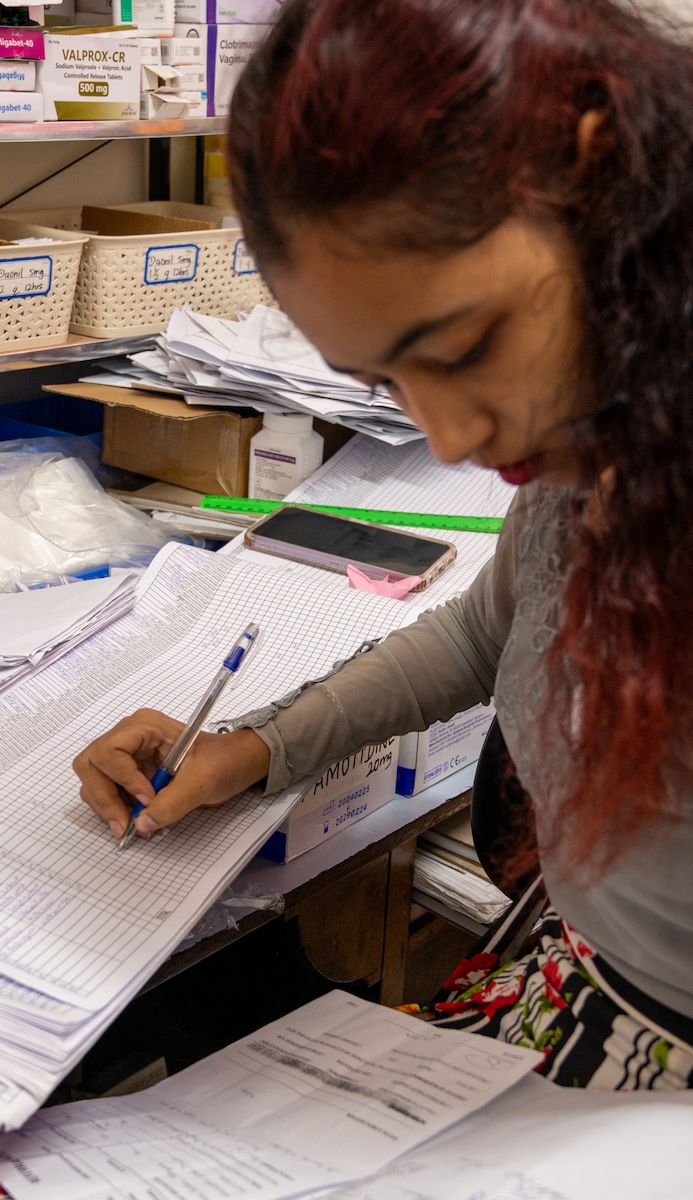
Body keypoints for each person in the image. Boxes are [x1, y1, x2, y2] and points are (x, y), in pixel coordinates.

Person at [73, 0, 693, 1088]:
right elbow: (489, 632)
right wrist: (255, 747)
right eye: (385, 384)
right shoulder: (598, 430)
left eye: (460, 347)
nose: (449, 434)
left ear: (599, 178)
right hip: (578, 984)